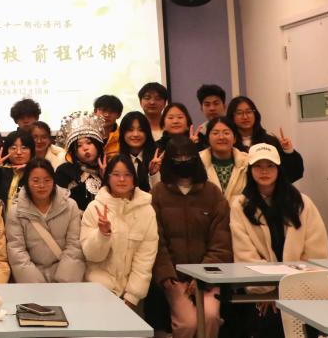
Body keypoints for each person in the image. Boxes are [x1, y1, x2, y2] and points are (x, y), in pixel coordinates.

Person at [230, 143, 328, 335]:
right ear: (250, 170)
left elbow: (317, 253)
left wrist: (288, 291)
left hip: (303, 290)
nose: (264, 171)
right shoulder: (240, 205)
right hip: (261, 292)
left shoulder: (302, 203)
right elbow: (245, 256)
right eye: (258, 166)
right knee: (268, 320)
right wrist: (269, 291)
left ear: (278, 169)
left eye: (270, 166)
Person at [151, 135, 232, 338]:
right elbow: (156, 240)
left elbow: (221, 241)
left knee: (211, 317)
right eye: (177, 158)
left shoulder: (212, 193)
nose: (183, 162)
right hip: (174, 278)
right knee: (187, 323)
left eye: (188, 158)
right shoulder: (158, 193)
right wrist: (167, 276)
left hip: (208, 275)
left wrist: (203, 275)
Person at [80, 155, 159, 310]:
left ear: (134, 178)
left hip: (131, 293)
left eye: (127, 175)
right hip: (98, 289)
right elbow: (91, 256)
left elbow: (145, 258)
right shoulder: (95, 208)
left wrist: (132, 296)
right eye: (116, 174)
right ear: (108, 178)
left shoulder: (146, 211)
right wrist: (102, 235)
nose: (122, 179)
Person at [5, 158, 85, 283]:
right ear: (27, 182)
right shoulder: (16, 212)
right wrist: (37, 285)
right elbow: (17, 252)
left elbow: (74, 247)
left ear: (53, 181)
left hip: (65, 277)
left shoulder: (70, 206)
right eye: (35, 181)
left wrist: (63, 282)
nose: (41, 185)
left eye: (47, 180)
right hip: (32, 279)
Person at [226, 95, 304, 182]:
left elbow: (294, 173)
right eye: (239, 113)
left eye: (249, 112)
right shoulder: (228, 144)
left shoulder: (270, 142)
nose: (245, 117)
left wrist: (288, 151)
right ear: (231, 117)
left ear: (255, 114)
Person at [54, 113, 106, 211]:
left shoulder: (110, 168)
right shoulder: (64, 171)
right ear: (74, 152)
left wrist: (105, 177)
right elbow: (58, 204)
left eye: (89, 143)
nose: (85, 148)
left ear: (98, 145)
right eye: (79, 145)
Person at [0, 129, 33, 213]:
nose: (19, 152)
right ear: (6, 150)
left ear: (32, 151)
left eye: (24, 148)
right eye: (13, 148)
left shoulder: (36, 171)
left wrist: (30, 169)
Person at [199, 116, 248, 203]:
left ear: (235, 138)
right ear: (208, 139)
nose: (221, 137)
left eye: (226, 133)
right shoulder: (197, 161)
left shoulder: (247, 162)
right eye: (215, 133)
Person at [117, 111, 159, 193]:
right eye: (130, 130)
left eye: (141, 130)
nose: (136, 134)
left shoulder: (157, 159)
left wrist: (153, 174)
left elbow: (161, 193)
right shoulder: (117, 162)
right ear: (122, 133)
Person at [93, 94, 123, 159]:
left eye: (112, 111)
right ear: (95, 111)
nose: (107, 115)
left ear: (119, 115)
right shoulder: (84, 133)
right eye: (103, 110)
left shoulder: (123, 135)